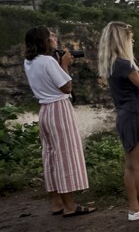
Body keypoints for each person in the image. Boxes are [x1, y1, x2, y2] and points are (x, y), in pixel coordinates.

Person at [22, 26, 94, 217]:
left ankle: (56, 202)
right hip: (59, 109)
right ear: (44, 41)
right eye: (51, 36)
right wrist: (64, 65)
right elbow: (67, 87)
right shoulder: (48, 61)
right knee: (65, 156)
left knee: (50, 156)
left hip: (44, 110)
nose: (54, 38)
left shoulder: (29, 61)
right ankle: (70, 206)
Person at [96, 21, 139, 225]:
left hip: (123, 115)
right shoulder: (125, 65)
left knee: (130, 166)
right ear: (121, 39)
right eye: (130, 37)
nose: (132, 40)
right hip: (135, 116)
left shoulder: (111, 63)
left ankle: (134, 208)